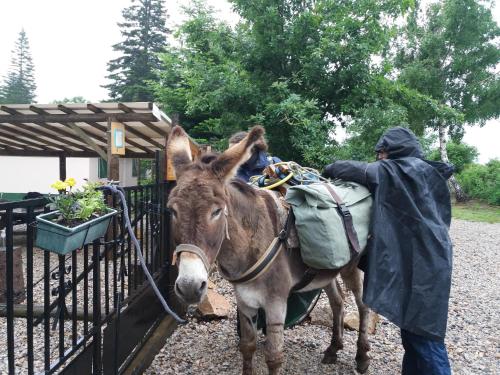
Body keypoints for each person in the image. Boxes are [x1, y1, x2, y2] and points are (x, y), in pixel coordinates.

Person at [323, 127, 454, 375]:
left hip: (423, 263)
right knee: (413, 333)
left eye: (382, 152)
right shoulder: (425, 171)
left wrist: (325, 171)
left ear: (393, 152)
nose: (379, 157)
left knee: (426, 339)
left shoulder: (398, 170)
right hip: (432, 257)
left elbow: (346, 168)